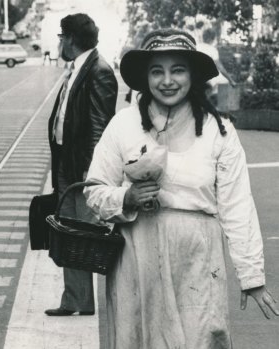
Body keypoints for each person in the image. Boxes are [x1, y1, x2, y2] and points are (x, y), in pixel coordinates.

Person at [84, 28, 279, 349]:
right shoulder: (123, 125)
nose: (167, 80)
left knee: (202, 337)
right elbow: (93, 191)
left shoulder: (220, 130)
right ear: (145, 77)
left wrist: (252, 276)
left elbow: (237, 206)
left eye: (178, 69)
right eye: (156, 71)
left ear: (194, 75)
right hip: (137, 261)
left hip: (199, 265)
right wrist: (126, 198)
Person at [45, 13, 118, 317]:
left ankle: (104, 300)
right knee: (69, 232)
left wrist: (93, 170)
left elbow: (101, 124)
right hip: (67, 160)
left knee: (90, 234)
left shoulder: (98, 70)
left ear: (71, 38)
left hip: (83, 167)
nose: (59, 42)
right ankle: (76, 299)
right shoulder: (77, 68)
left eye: (61, 37)